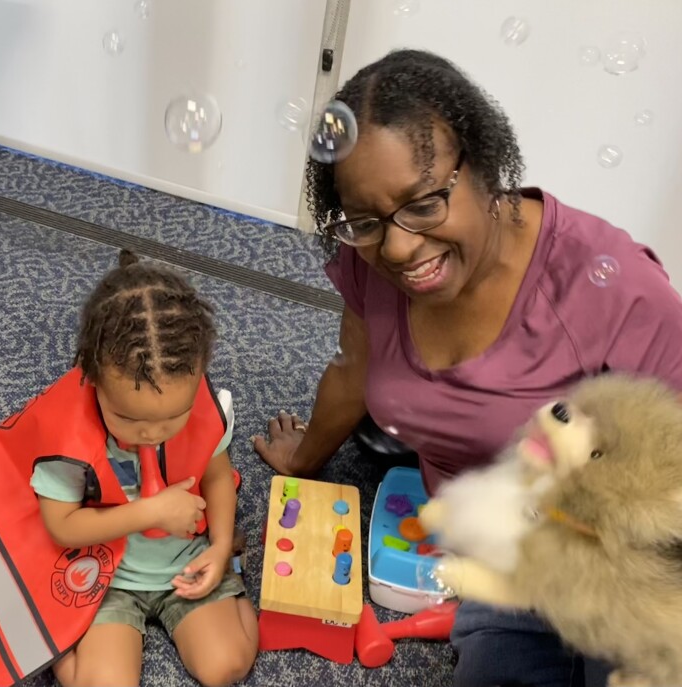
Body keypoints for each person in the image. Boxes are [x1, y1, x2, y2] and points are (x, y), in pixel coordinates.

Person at [253, 48, 682, 687]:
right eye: (367, 221)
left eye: (424, 203)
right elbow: (354, 369)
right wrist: (305, 461)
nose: (397, 247)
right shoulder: (367, 261)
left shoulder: (614, 290)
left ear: (481, 167)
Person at [34, 250, 258, 687]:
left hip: (186, 560)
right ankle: (58, 642)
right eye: (131, 420)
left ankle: (233, 577)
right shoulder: (68, 434)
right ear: (91, 379)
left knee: (224, 668)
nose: (153, 433)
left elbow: (217, 477)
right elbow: (60, 526)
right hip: (103, 574)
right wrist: (151, 513)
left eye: (173, 416)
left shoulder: (204, 406)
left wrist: (220, 546)